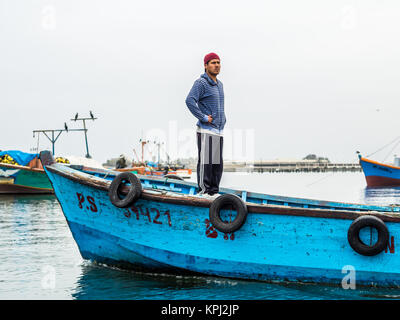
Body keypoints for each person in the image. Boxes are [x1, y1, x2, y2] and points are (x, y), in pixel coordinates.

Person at [185, 52, 226, 196]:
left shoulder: (219, 85)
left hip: (218, 130)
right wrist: (203, 117)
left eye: (218, 62)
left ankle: (214, 193)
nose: (216, 65)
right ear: (205, 65)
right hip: (206, 129)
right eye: (213, 62)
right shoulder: (201, 83)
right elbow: (190, 100)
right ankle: (204, 191)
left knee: (217, 165)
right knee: (206, 164)